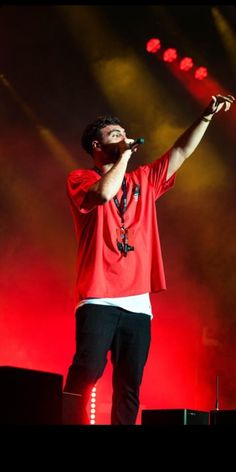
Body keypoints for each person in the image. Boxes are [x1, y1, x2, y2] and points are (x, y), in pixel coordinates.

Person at [63, 94, 234, 425]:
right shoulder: (80, 179)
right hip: (98, 296)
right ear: (96, 146)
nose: (124, 137)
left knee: (130, 386)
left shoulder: (143, 180)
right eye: (115, 134)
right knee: (87, 371)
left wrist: (206, 118)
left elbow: (181, 152)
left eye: (125, 133)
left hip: (138, 304)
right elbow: (104, 194)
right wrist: (125, 157)